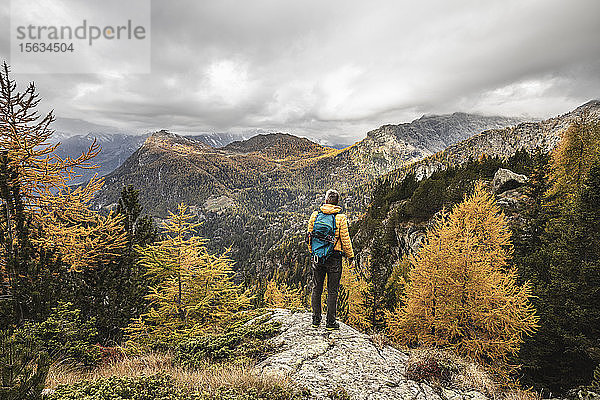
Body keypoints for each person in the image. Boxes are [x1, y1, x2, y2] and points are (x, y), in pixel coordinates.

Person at [307, 189, 354, 330]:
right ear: (337, 203)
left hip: (318, 257)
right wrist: (350, 257)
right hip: (334, 258)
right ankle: (330, 323)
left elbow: (310, 237)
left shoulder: (315, 215)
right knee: (332, 291)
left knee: (316, 288)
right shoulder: (340, 218)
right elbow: (346, 240)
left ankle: (315, 320)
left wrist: (314, 253)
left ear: (326, 200)